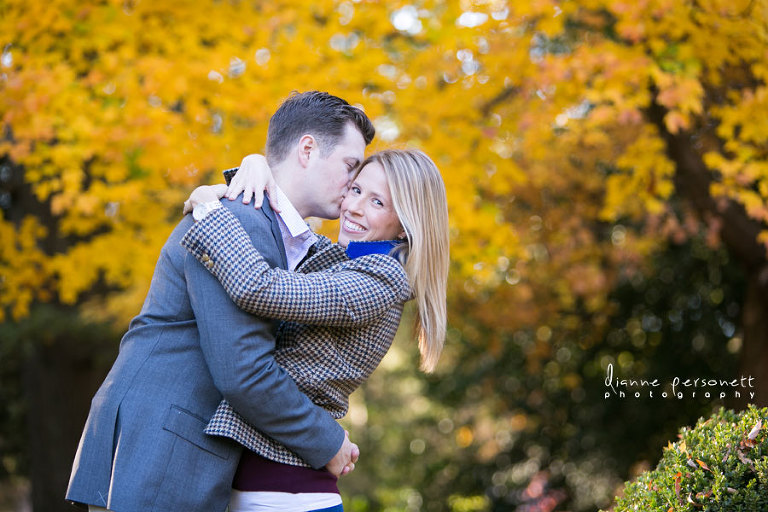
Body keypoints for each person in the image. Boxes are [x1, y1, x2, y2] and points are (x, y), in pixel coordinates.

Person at [66, 91, 375, 512]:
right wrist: (328, 442)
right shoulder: (241, 218)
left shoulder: (264, 223)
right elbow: (243, 370)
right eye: (349, 166)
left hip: (166, 445)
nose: (353, 184)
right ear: (308, 149)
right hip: (159, 448)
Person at [181, 148, 450, 511]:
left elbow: (260, 288)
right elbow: (284, 225)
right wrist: (255, 164)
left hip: (287, 492)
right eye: (355, 190)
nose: (354, 207)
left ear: (404, 223)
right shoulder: (342, 260)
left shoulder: (379, 280)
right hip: (267, 485)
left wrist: (209, 211)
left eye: (377, 202)